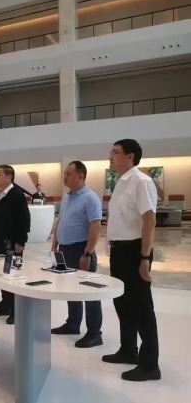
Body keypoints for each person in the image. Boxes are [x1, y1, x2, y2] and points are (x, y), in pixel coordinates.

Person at [103, 139, 161, 381]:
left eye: (115, 152)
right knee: (122, 303)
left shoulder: (141, 181)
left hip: (135, 251)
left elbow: (149, 220)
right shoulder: (121, 182)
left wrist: (145, 257)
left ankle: (150, 365)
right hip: (119, 251)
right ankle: (128, 350)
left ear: (130, 156)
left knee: (141, 307)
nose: (110, 156)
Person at [50, 161, 103, 348]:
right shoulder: (67, 197)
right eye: (64, 173)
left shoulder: (90, 198)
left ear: (81, 176)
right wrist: (54, 244)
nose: (64, 176)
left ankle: (94, 333)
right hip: (65, 250)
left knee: (89, 293)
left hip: (81, 250)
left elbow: (96, 227)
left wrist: (88, 253)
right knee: (70, 289)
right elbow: (61, 221)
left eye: (69, 174)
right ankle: (73, 323)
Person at [0, 165, 30, 325]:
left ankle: (15, 309)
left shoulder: (17, 195)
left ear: (9, 177)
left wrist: (21, 241)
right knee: (2, 275)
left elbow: (24, 220)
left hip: (13, 244)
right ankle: (5, 304)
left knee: (13, 276)